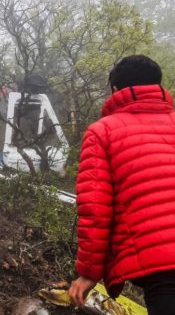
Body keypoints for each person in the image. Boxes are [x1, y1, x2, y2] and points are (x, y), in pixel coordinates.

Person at [68, 55, 175, 315]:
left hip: (162, 265)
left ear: (115, 90)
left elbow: (95, 209)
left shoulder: (103, 131)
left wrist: (88, 273)